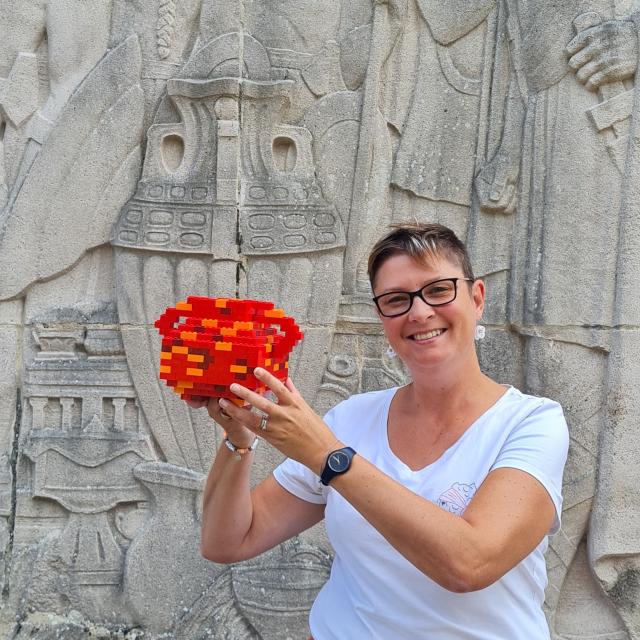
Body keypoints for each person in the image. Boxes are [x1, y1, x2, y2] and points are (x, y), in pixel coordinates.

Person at [193, 222, 569, 639]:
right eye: (396, 300)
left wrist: (329, 457)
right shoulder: (351, 419)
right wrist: (238, 439)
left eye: (439, 290)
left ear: (477, 298)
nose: (420, 312)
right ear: (382, 317)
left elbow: (470, 563)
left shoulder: (532, 423)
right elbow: (227, 542)